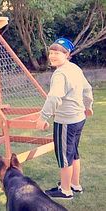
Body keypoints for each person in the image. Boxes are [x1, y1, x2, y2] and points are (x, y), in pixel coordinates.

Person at [36, 38, 93, 200]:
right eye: (51, 52)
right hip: (79, 118)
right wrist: (88, 106)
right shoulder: (74, 68)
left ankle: (65, 190)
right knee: (73, 153)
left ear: (67, 54)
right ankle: (75, 184)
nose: (52, 56)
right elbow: (87, 89)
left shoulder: (60, 74)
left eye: (57, 53)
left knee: (64, 156)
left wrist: (43, 117)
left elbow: (54, 97)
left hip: (66, 121)